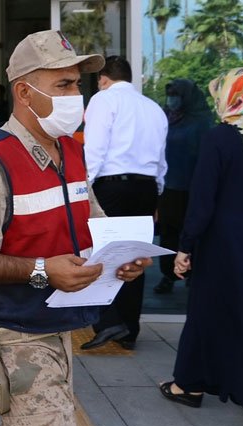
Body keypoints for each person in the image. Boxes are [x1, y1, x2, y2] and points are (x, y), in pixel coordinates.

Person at [0, 30, 150, 426]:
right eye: (63, 85)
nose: (76, 95)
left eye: (77, 84)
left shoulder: (69, 149)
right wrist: (42, 271)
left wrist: (122, 255)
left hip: (56, 326)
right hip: (15, 335)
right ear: (25, 92)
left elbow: (93, 223)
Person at [159, 67, 243, 426]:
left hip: (225, 248)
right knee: (210, 313)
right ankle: (189, 382)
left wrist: (185, 246)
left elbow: (202, 199)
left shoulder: (222, 137)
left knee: (242, 320)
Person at [80, 55, 167, 351]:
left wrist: (84, 188)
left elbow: (95, 147)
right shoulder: (154, 108)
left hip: (112, 186)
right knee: (135, 258)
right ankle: (129, 330)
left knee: (100, 252)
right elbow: (161, 159)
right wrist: (157, 195)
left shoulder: (103, 100)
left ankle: (107, 322)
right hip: (146, 187)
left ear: (103, 78)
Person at [152, 79, 213, 294]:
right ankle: (168, 275)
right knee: (168, 233)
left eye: (176, 95)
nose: (172, 99)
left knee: (193, 233)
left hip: (193, 187)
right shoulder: (166, 118)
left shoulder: (202, 121)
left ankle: (192, 274)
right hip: (169, 187)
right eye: (170, 94)